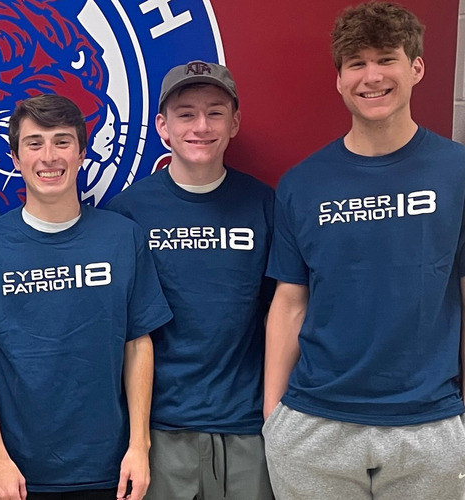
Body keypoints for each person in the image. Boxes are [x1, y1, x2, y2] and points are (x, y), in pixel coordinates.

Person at [263, 2, 465, 499]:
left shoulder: (456, 172)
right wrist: (273, 419)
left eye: (386, 59)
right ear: (339, 79)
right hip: (314, 425)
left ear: (416, 67)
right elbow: (290, 302)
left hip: (430, 427)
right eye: (356, 63)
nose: (371, 76)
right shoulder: (302, 185)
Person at [0, 94, 171, 500]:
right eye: (34, 143)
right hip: (17, 475)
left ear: (81, 152)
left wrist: (138, 446)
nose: (49, 156)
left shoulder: (122, 237)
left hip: (109, 469)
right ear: (15, 156)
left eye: (62, 141)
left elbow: (138, 343)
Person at [105, 61, 274, 499]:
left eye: (215, 112)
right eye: (185, 113)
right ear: (162, 126)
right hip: (160, 430)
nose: (201, 126)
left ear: (235, 122)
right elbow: (120, 330)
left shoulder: (265, 205)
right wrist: (135, 437)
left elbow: (286, 315)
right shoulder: (127, 214)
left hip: (248, 427)